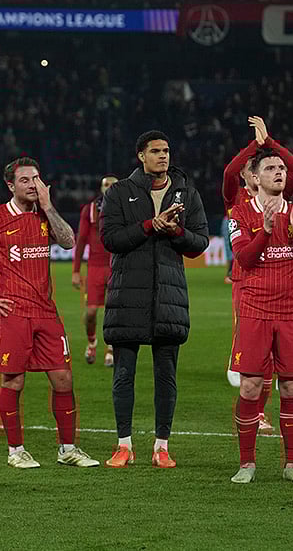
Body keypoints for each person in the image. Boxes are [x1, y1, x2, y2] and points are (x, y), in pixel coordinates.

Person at [0, 157, 99, 469]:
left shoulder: (44, 214)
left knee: (63, 379)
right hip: (14, 312)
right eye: (25, 180)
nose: (33, 185)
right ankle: (16, 451)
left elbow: (68, 241)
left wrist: (48, 206)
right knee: (14, 382)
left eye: (36, 178)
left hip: (47, 312)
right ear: (10, 185)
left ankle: (68, 449)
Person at [100, 131, 209, 469]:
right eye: (156, 151)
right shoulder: (119, 192)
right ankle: (124, 445)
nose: (163, 156)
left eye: (166, 150)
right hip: (126, 297)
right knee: (123, 375)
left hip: (168, 298)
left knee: (166, 376)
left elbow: (200, 242)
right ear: (141, 156)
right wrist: (150, 225)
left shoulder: (187, 194)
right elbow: (110, 239)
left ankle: (162, 446)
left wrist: (176, 232)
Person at [227, 147, 293, 485]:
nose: (279, 172)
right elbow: (244, 259)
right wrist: (265, 230)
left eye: (281, 168)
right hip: (255, 310)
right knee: (251, 386)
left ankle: (292, 464)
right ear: (255, 177)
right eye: (270, 168)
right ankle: (247, 463)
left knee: (291, 386)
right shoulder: (240, 213)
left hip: (292, 311)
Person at [221, 117, 293, 423]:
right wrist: (253, 146)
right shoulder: (236, 197)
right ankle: (253, 406)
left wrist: (268, 143)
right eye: (249, 167)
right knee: (256, 355)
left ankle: (260, 412)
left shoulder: (278, 193)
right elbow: (229, 172)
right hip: (245, 279)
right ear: (248, 174)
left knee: (269, 357)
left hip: (278, 280)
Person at [72, 174, 119, 366]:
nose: (109, 188)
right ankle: (92, 342)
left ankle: (112, 348)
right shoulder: (90, 210)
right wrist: (76, 271)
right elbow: (81, 240)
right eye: (106, 185)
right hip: (95, 267)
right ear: (101, 188)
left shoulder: (125, 209)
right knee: (91, 312)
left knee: (114, 310)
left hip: (117, 266)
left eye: (113, 186)